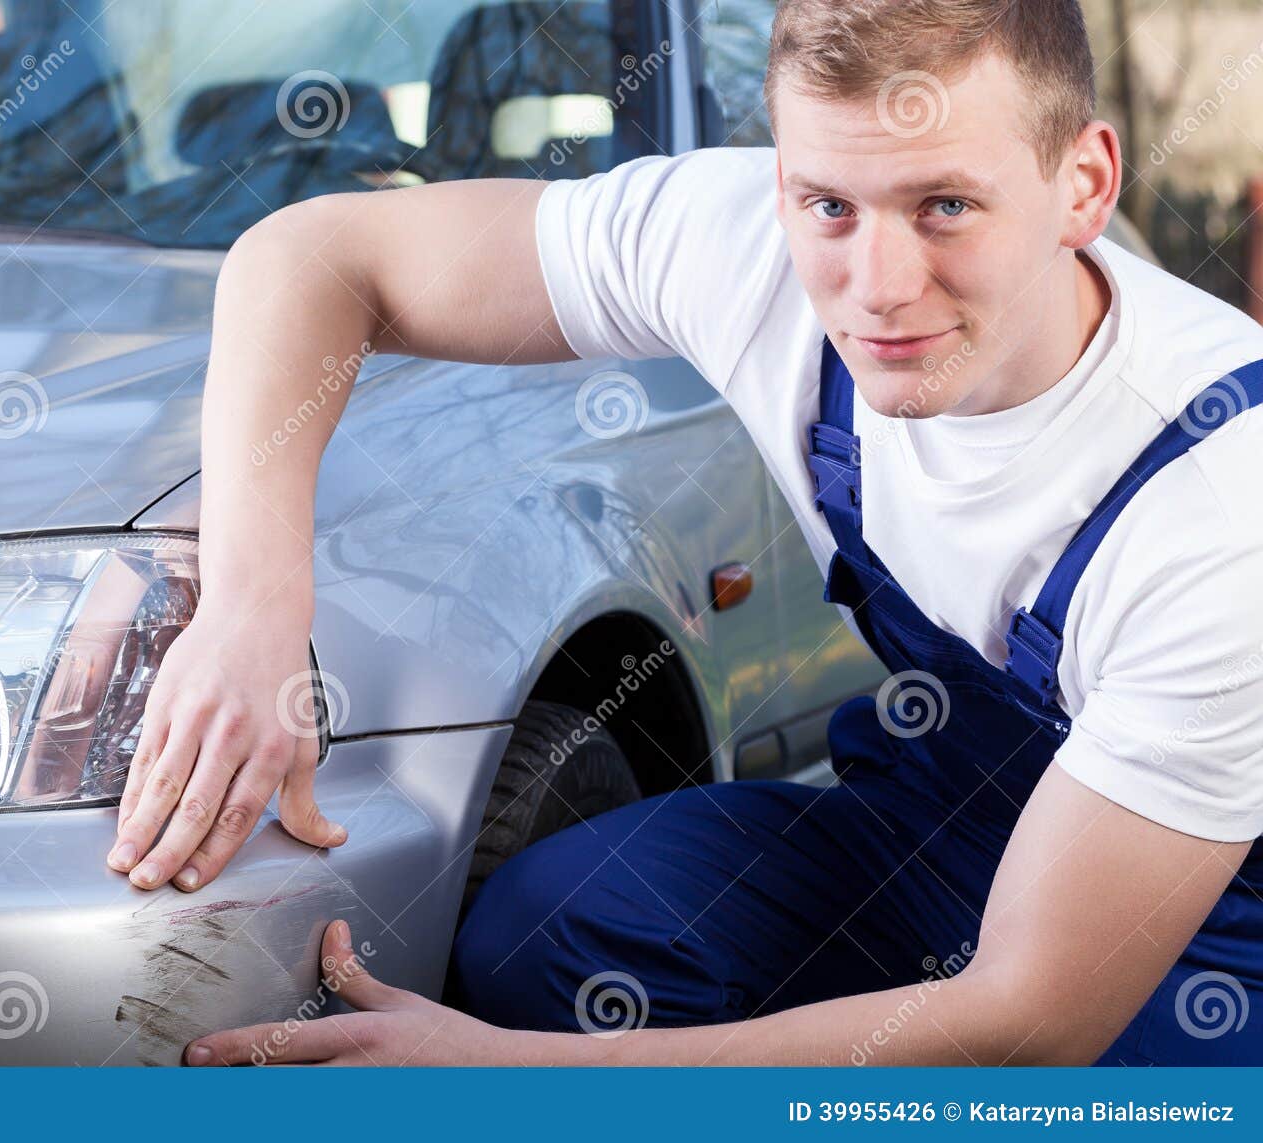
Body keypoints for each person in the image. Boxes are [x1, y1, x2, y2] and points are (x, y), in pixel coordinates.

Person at [113, 0, 1263, 1064]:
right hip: (944, 824)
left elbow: (1029, 1015)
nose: (876, 284)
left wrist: (518, 1078)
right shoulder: (743, 244)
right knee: (551, 932)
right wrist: (253, 602)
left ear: (1084, 182)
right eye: (828, 206)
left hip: (1193, 935)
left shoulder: (1217, 507)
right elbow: (310, 256)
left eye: (945, 206)